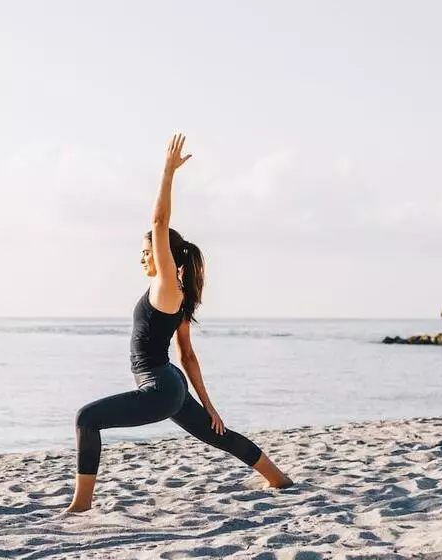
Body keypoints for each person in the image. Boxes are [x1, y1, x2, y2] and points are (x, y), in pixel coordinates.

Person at [65, 134, 293, 513]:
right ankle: (277, 478)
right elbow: (188, 355)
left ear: (164, 256)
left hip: (160, 386)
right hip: (172, 380)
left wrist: (167, 173)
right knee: (216, 434)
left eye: (146, 253)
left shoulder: (166, 285)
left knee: (86, 419)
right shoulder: (179, 296)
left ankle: (81, 505)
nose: (142, 259)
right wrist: (210, 407)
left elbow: (158, 221)